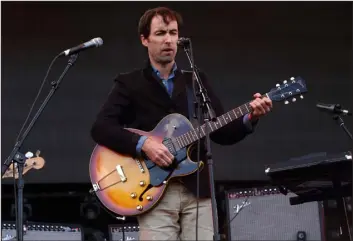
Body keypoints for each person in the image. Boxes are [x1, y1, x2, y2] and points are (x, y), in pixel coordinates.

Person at [90, 6, 273, 241]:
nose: (168, 40)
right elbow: (100, 128)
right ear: (144, 39)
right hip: (153, 192)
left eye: (173, 33)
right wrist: (144, 143)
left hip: (197, 190)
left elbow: (221, 131)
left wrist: (251, 116)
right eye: (161, 33)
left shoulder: (195, 80)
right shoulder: (129, 83)